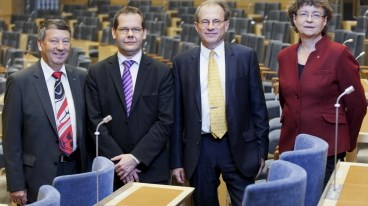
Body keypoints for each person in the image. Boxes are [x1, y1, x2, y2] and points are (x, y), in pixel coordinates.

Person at [170, 1, 269, 205]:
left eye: (216, 21)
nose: (210, 26)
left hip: (238, 146)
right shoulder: (182, 62)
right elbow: (177, 116)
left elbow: (258, 107)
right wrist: (177, 160)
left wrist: (261, 151)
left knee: (246, 202)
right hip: (200, 148)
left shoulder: (245, 56)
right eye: (204, 21)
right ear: (196, 26)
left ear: (226, 25)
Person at [278, 0, 367, 185]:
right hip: (291, 144)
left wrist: (345, 142)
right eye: (303, 14)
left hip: (327, 146)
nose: (309, 19)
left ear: (324, 21)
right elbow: (286, 100)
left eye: (316, 14)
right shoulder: (284, 56)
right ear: (294, 19)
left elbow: (357, 105)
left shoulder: (339, 53)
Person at [85, 6, 173, 190]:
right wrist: (121, 163)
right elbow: (94, 122)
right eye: (124, 29)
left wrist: (135, 158)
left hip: (151, 169)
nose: (130, 34)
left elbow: (165, 121)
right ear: (114, 33)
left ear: (145, 33)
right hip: (111, 171)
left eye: (136, 29)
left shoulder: (162, 72)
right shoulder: (96, 73)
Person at [2, 19, 89, 204]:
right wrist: (16, 184)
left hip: (77, 171)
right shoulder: (19, 82)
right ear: (40, 44)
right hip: (37, 177)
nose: (60, 47)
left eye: (65, 41)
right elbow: (11, 139)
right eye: (54, 41)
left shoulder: (81, 77)